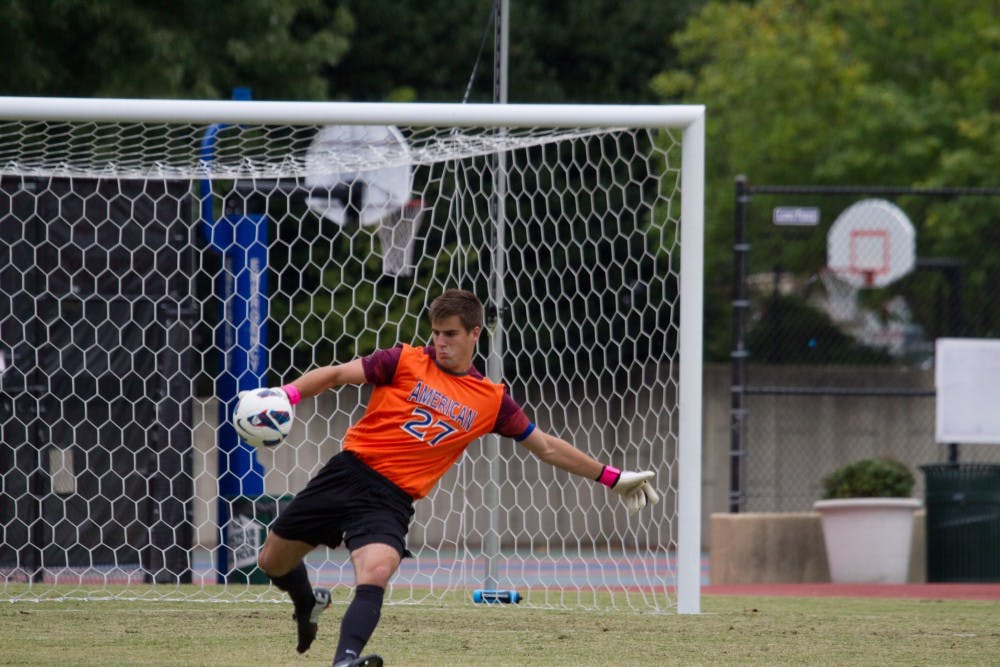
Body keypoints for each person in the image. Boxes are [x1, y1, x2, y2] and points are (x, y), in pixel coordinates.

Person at [249, 289, 660, 667]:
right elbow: (338, 374)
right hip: (346, 473)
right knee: (272, 561)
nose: (440, 342)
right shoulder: (404, 360)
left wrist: (612, 477)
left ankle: (344, 661)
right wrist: (287, 395)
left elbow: (546, 446)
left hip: (390, 500)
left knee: (376, 570)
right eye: (436, 333)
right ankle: (307, 604)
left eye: (450, 334)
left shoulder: (491, 400)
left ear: (474, 333)